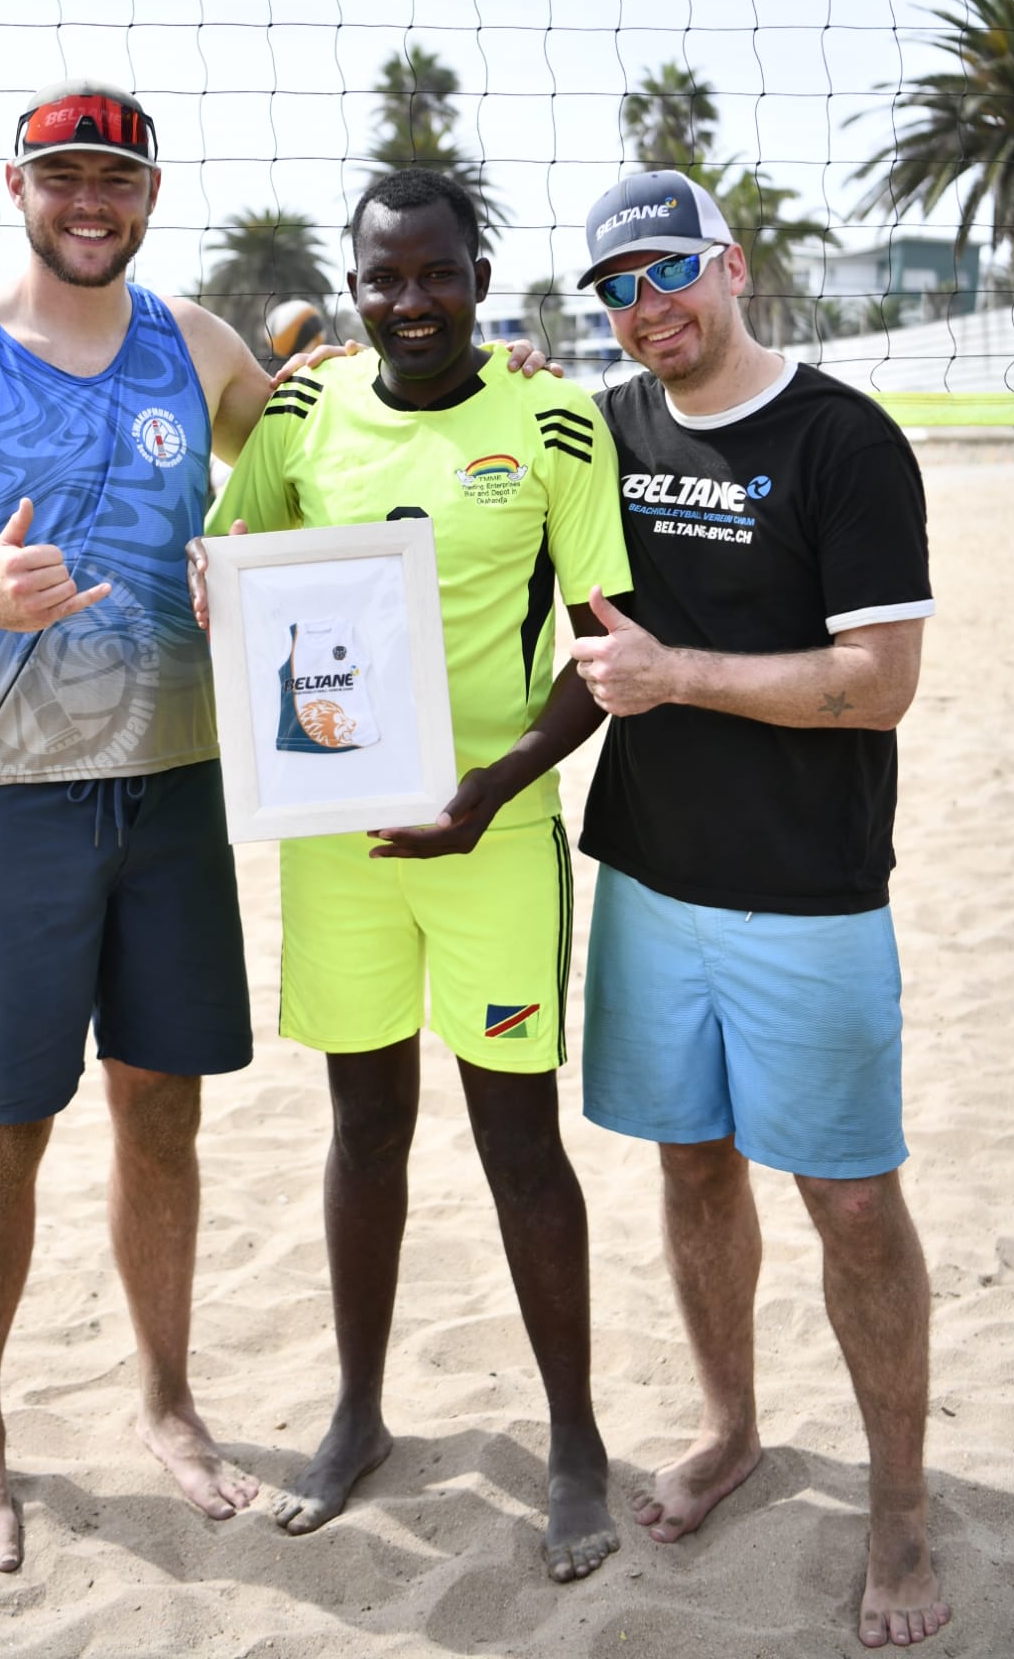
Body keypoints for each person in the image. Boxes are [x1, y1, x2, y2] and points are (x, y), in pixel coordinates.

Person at [0, 81, 278, 1578]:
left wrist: (489, 370)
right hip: (10, 808)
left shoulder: (197, 348)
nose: (91, 201)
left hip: (176, 792)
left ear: (152, 193)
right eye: (63, 176)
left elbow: (329, 459)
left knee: (163, 1110)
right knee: (4, 1126)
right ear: (15, 185)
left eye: (117, 178)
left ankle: (167, 1401)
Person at [187, 168, 634, 1583]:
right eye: (384, 277)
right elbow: (240, 557)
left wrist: (493, 787)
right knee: (363, 1126)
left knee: (517, 1147)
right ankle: (359, 1413)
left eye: (436, 274)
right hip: (341, 844)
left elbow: (602, 650)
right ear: (356, 281)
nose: (410, 301)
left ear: (477, 278)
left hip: (491, 835)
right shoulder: (307, 411)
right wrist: (217, 585)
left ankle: (573, 1443)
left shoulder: (551, 421)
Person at [567, 172, 950, 1651]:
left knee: (851, 1199)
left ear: (728, 263)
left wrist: (684, 678)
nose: (646, 307)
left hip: (809, 894)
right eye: (615, 287)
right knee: (690, 1166)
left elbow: (879, 686)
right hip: (652, 877)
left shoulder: (841, 439)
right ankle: (730, 1428)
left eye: (667, 273)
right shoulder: (601, 431)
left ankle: (900, 1503)